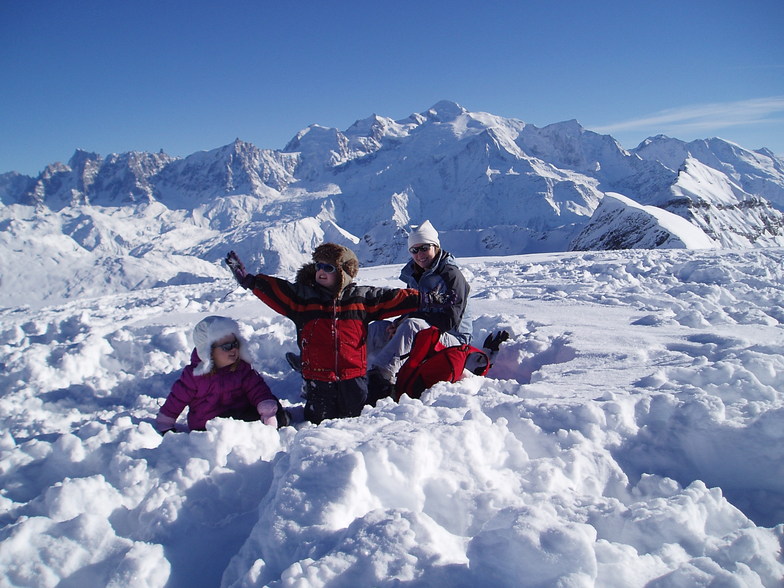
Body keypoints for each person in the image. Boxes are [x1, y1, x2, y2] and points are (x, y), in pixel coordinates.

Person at [226, 243, 445, 424]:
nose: (321, 271)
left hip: (354, 378)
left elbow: (391, 297)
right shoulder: (303, 299)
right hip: (318, 378)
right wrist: (252, 282)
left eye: (329, 267)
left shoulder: (361, 298)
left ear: (344, 273)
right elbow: (278, 290)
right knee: (317, 424)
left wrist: (424, 298)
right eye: (319, 266)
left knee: (355, 423)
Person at [367, 220, 473, 401]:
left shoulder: (451, 276)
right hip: (424, 331)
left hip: (454, 342)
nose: (419, 254)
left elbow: (449, 321)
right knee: (378, 328)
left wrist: (406, 321)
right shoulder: (416, 275)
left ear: (436, 247)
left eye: (424, 248)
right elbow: (413, 309)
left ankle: (380, 379)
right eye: (414, 250)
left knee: (410, 324)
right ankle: (340, 368)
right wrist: (397, 323)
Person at [154, 315, 284, 434]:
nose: (233, 349)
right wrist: (165, 424)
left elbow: (257, 389)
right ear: (208, 351)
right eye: (226, 346)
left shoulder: (241, 368)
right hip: (208, 424)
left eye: (235, 344)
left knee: (271, 402)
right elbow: (176, 400)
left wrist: (266, 409)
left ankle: (280, 420)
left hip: (241, 413)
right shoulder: (195, 376)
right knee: (235, 428)